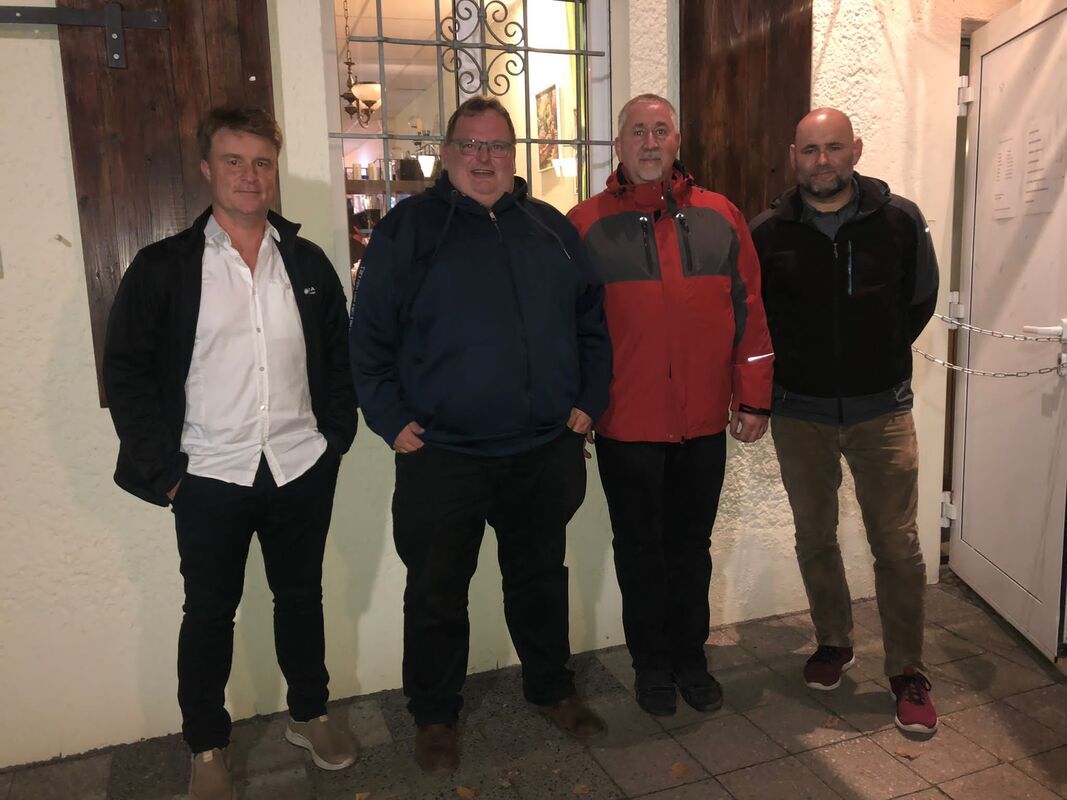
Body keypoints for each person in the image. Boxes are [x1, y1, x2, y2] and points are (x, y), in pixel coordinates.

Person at [350, 95, 613, 773]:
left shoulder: (552, 229)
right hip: (443, 456)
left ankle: (552, 689)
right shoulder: (407, 230)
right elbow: (368, 336)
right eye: (469, 145)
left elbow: (592, 325)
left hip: (541, 450)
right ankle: (434, 714)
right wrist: (388, 419)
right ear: (446, 154)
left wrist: (589, 400)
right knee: (435, 591)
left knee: (540, 581)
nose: (483, 158)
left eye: (496, 145)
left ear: (513, 154)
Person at [103, 107, 359, 799]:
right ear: (207, 169)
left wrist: (333, 441)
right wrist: (167, 474)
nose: (250, 176)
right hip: (208, 475)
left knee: (301, 597)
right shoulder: (165, 267)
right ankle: (206, 745)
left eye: (262, 162)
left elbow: (340, 358)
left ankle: (309, 713)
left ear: (274, 171)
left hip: (299, 467)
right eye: (234, 161)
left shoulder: (306, 263)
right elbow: (125, 372)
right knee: (209, 613)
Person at [567, 94, 774, 717]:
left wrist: (754, 397)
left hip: (703, 422)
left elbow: (750, 311)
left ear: (678, 141)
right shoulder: (583, 224)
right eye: (638, 131)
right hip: (625, 424)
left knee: (691, 549)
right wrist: (579, 405)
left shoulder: (721, 216)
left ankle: (690, 658)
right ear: (618, 145)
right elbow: (568, 328)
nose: (650, 142)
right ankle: (651, 664)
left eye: (661, 130)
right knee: (639, 552)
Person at [749, 107, 939, 735]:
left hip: (881, 412)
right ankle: (833, 640)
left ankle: (907, 671)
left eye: (833, 147)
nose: (822, 161)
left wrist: (873, 359)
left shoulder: (900, 220)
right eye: (810, 150)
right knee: (815, 537)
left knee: (898, 546)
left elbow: (920, 299)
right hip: (799, 414)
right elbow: (754, 318)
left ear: (855, 150)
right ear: (792, 156)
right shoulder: (766, 232)